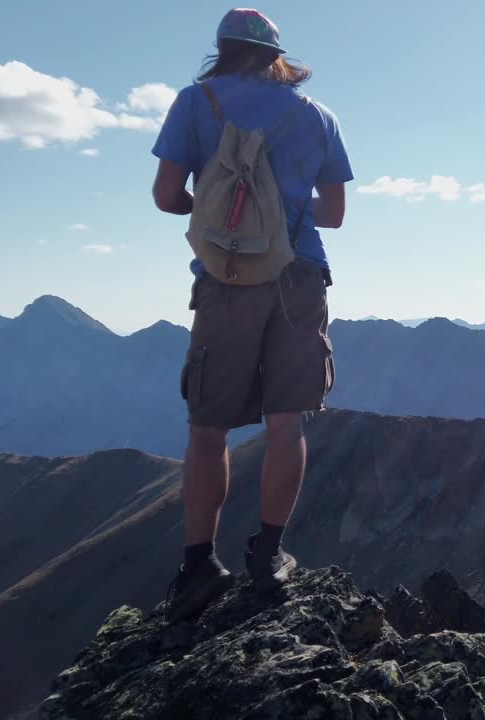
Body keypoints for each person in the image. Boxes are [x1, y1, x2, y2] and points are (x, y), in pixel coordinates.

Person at [151, 8, 352, 621]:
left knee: (209, 429)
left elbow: (165, 197)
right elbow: (335, 213)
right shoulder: (317, 116)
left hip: (227, 276)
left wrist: (222, 212)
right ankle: (267, 556)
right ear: (275, 56)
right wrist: (281, 206)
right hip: (298, 274)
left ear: (222, 50)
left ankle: (197, 566)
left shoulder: (196, 102)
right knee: (286, 421)